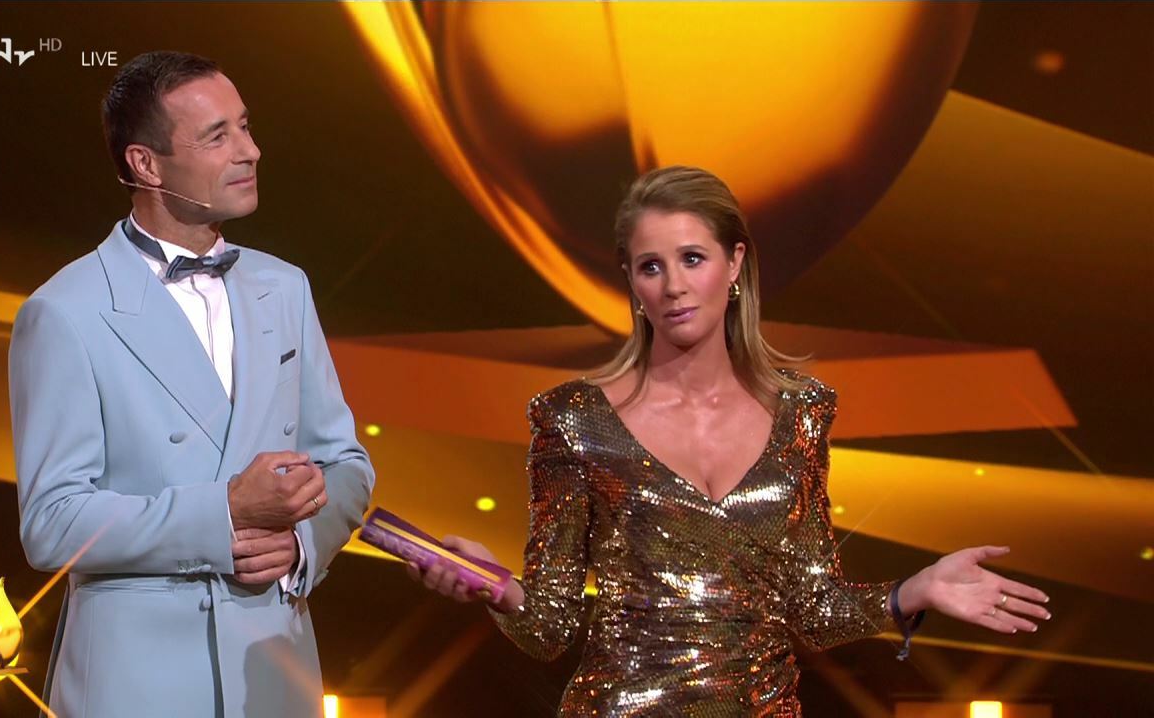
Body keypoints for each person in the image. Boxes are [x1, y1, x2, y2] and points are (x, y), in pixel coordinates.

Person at [409, 166, 1050, 715]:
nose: (674, 286)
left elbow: (812, 608)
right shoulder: (574, 420)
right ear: (632, 282)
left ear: (735, 262)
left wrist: (915, 590)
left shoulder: (801, 415)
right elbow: (550, 626)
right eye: (651, 267)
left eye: (693, 258)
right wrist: (493, 585)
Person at [8, 51, 374, 717]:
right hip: (137, 683)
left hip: (272, 671)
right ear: (146, 165)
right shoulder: (65, 310)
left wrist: (300, 543)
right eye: (217, 136)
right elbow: (52, 522)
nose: (251, 151)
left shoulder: (284, 286)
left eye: (245, 126)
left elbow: (345, 462)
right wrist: (224, 512)